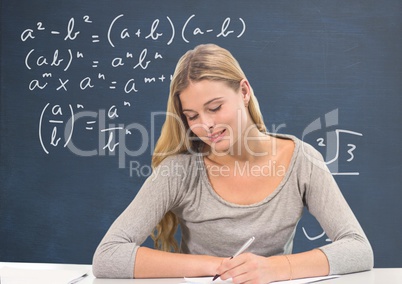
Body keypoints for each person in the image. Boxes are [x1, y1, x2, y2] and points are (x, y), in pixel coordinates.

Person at [92, 43, 373, 283]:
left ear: (244, 91)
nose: (206, 125)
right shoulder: (179, 172)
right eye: (192, 116)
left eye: (215, 108)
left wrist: (273, 268)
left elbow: (359, 250)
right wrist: (220, 267)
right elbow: (108, 256)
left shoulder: (302, 160)